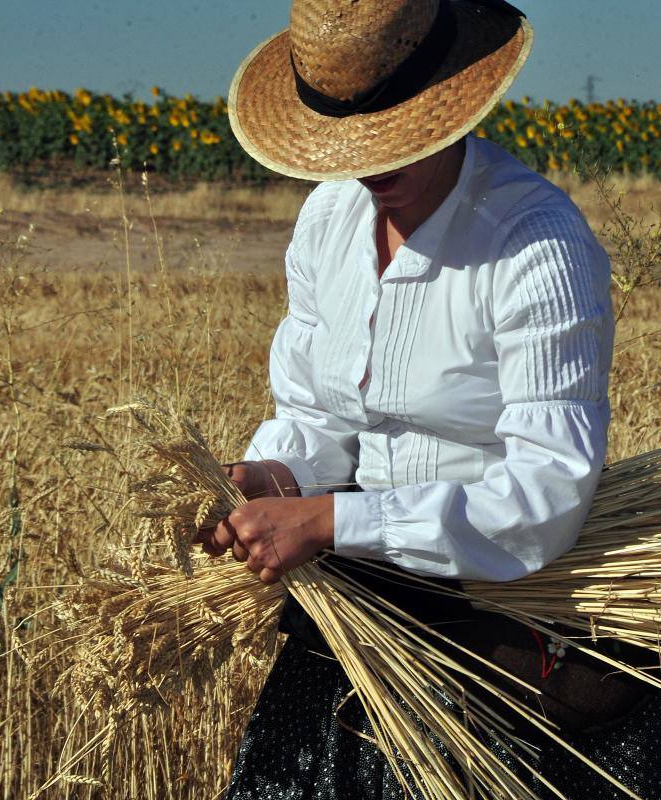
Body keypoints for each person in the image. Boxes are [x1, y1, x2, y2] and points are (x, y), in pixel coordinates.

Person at [197, 1, 660, 797]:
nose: (372, 165)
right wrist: (272, 478)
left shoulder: (534, 245)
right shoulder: (327, 222)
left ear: (452, 99)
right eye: (355, 141)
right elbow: (319, 417)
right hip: (360, 609)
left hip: (502, 606)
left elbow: (542, 496)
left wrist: (332, 519)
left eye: (397, 130)